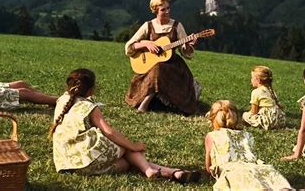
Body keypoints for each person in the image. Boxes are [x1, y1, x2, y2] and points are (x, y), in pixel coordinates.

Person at [50, 68, 201, 182]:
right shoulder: (89, 107)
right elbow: (109, 132)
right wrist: (133, 145)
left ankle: (172, 172)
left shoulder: (62, 101)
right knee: (125, 148)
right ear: (91, 90)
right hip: (87, 159)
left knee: (124, 163)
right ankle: (155, 170)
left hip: (67, 163)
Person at [124, 0, 199, 114]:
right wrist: (146, 44)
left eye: (168, 8)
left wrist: (190, 45)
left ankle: (145, 104)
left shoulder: (177, 26)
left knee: (159, 69)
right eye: (163, 9)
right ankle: (149, 100)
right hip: (151, 65)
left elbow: (186, 53)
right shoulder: (148, 26)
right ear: (155, 10)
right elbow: (129, 47)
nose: (167, 11)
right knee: (157, 68)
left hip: (173, 67)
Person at [204, 100, 292, 190]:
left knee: (246, 184)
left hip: (233, 172)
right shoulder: (246, 135)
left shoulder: (212, 136)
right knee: (269, 177)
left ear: (212, 119)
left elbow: (208, 167)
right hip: (255, 166)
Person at [242, 66, 286, 130]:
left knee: (245, 115)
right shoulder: (271, 90)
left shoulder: (256, 92)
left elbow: (254, 112)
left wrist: (247, 115)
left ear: (258, 80)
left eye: (252, 78)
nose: (251, 80)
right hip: (279, 120)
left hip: (268, 121)